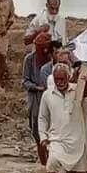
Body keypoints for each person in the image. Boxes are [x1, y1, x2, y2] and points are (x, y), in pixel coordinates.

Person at [38, 63, 87, 173]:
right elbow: (42, 118)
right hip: (56, 138)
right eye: (56, 79)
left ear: (68, 77)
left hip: (76, 140)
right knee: (51, 165)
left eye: (62, 79)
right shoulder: (47, 95)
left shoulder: (78, 90)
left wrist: (84, 85)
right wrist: (43, 137)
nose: (59, 82)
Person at [22, 32, 54, 165]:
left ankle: (53, 161)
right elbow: (25, 81)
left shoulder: (53, 61)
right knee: (37, 132)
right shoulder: (29, 59)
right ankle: (43, 163)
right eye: (39, 47)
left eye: (44, 47)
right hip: (36, 99)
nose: (42, 50)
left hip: (52, 100)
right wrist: (37, 87)